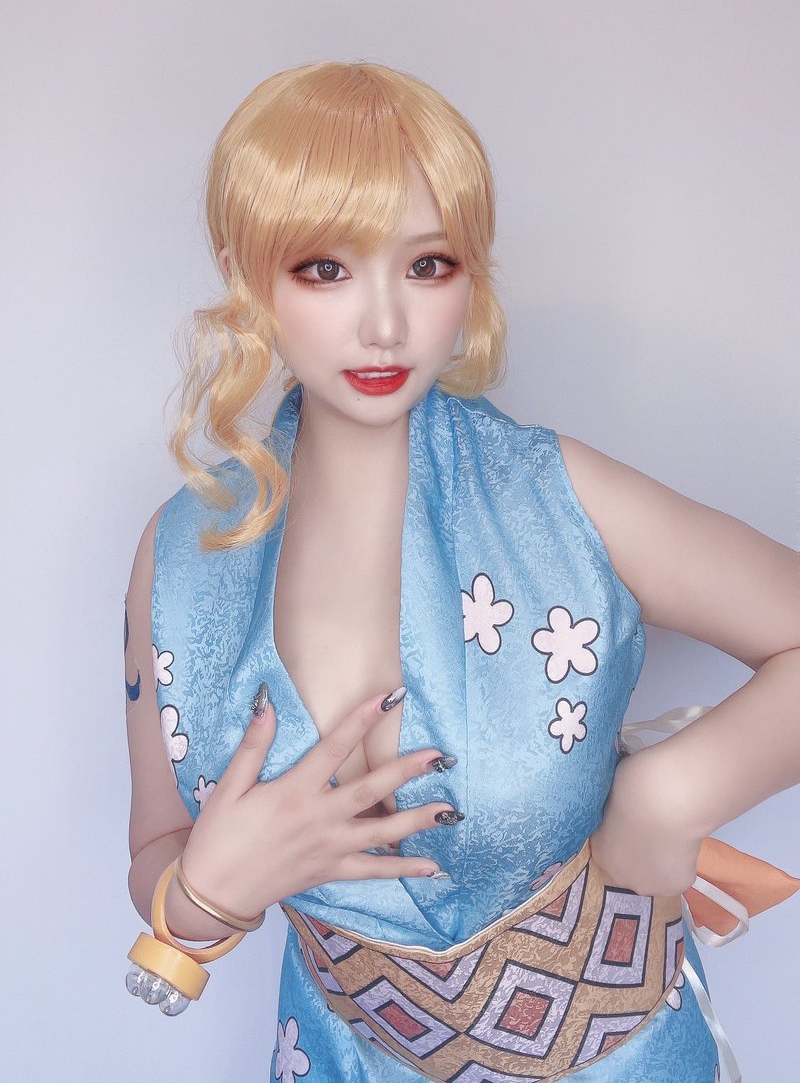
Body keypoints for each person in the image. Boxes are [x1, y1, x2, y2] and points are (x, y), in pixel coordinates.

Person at [124, 60, 799, 1082]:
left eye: (427, 265)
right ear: (245, 273)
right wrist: (201, 896)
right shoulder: (182, 554)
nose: (384, 324)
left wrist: (671, 796)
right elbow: (158, 849)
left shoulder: (558, 499)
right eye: (324, 268)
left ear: (471, 274)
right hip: (337, 1058)